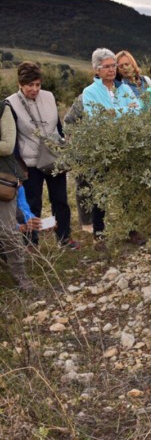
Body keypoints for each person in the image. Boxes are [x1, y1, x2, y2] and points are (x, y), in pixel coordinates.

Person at [5, 61, 79, 250]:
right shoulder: (10, 103)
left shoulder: (49, 96)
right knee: (32, 203)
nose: (35, 89)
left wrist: (64, 149)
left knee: (61, 200)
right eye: (30, 85)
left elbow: (58, 127)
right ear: (20, 84)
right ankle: (31, 242)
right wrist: (17, 169)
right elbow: (11, 139)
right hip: (29, 163)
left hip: (54, 158)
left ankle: (64, 238)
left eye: (38, 84)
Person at [82, 48, 143, 247]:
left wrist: (112, 112)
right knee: (101, 193)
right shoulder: (89, 92)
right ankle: (99, 235)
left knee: (128, 191)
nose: (112, 70)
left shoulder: (124, 89)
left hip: (125, 146)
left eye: (113, 66)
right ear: (97, 69)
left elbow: (138, 111)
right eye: (107, 66)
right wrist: (124, 111)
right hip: (102, 150)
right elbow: (96, 118)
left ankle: (131, 230)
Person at [0, 100, 34, 290]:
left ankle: (20, 275)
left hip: (2, 179)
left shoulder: (2, 108)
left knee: (8, 230)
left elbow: (7, 145)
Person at [63, 93, 93, 231]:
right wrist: (72, 144)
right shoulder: (85, 96)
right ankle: (86, 222)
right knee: (83, 185)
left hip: (104, 149)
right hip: (83, 149)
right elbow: (68, 120)